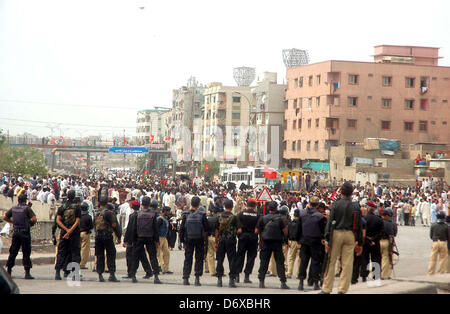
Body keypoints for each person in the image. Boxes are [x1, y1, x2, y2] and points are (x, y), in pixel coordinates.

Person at [321, 182, 363, 294]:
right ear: (351, 193)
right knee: (347, 263)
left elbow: (329, 223)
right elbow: (359, 225)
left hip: (336, 233)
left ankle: (326, 288)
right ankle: (342, 289)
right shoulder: (355, 206)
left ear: (341, 191)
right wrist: (360, 243)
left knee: (331, 261)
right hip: (350, 235)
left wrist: (326, 238)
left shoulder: (336, 204)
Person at [255, 201, 289, 289]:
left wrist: (261, 237)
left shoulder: (263, 218)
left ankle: (261, 282)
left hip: (265, 242)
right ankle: (283, 282)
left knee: (264, 262)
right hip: (277, 243)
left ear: (268, 208)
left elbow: (256, 230)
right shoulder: (280, 219)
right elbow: (285, 232)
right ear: (276, 208)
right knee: (280, 262)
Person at [3, 193, 37, 279]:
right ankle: (27, 273)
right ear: (25, 200)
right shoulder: (27, 209)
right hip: (25, 233)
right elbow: (34, 219)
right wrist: (30, 224)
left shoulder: (13, 208)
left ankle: (9, 270)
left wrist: (13, 222)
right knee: (26, 252)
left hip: (16, 232)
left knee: (13, 252)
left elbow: (5, 217)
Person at [128, 197, 161, 284]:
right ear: (149, 204)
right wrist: (157, 240)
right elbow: (155, 229)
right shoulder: (153, 214)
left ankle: (133, 275)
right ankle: (156, 276)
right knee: (153, 257)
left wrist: (132, 240)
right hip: (150, 237)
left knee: (135, 257)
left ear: (142, 204)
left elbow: (133, 228)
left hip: (139, 237)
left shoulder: (137, 214)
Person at [297, 196, 327, 291]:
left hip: (304, 241)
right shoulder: (320, 216)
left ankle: (301, 283)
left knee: (303, 262)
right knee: (315, 262)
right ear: (317, 205)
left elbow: (298, 229)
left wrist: (298, 239)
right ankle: (315, 283)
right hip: (316, 242)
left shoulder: (302, 214)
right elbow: (323, 231)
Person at [180, 196, 209, 286]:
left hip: (188, 239)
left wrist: (182, 241)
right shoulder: (202, 214)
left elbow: (182, 229)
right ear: (199, 204)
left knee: (188, 258)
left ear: (191, 204)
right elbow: (207, 228)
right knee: (199, 258)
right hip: (199, 239)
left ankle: (186, 278)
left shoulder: (186, 214)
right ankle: (197, 278)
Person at [122, 200, 153, 279]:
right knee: (142, 256)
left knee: (130, 256)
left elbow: (130, 229)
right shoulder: (141, 214)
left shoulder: (133, 215)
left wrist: (126, 240)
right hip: (140, 238)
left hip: (133, 239)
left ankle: (130, 273)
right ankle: (148, 271)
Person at [54, 190, 81, 280]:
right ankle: (74, 274)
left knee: (61, 252)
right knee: (75, 253)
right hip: (74, 233)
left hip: (64, 233)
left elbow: (58, 220)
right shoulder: (77, 208)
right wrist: (70, 231)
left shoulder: (62, 207)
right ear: (74, 197)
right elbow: (77, 221)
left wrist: (66, 230)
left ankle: (58, 272)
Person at [93, 197, 122, 282]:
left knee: (100, 255)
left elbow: (93, 225)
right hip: (107, 236)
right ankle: (112, 274)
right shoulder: (108, 213)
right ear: (106, 204)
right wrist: (119, 236)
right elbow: (114, 225)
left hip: (98, 237)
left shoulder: (96, 213)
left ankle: (100, 274)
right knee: (111, 254)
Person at [234, 198, 260, 283]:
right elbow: (258, 229)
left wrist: (239, 236)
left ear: (246, 204)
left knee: (240, 256)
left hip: (243, 238)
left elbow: (238, 228)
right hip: (253, 238)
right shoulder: (258, 215)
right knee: (251, 257)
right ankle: (246, 277)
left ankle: (237, 275)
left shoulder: (240, 214)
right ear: (255, 206)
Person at [215, 199, 238, 287]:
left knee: (220, 259)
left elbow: (216, 230)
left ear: (224, 206)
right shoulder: (234, 217)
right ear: (232, 207)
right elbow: (238, 230)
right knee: (232, 260)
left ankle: (219, 280)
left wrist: (216, 241)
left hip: (221, 240)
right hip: (231, 240)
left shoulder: (219, 216)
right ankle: (231, 280)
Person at [360, 201, 384, 283]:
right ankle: (376, 276)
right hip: (375, 242)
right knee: (376, 258)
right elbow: (381, 232)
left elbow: (361, 232)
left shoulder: (363, 219)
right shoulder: (379, 219)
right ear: (374, 210)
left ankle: (364, 276)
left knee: (364, 259)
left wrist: (368, 239)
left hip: (365, 242)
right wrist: (373, 240)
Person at [380, 209, 397, 280]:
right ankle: (384, 275)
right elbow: (393, 235)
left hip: (378, 241)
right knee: (386, 258)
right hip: (386, 241)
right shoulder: (391, 223)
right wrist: (392, 244)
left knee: (377, 258)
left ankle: (375, 274)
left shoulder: (379, 222)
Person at [157, 206, 173, 274]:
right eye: (168, 211)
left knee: (166, 253)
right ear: (165, 211)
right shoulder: (160, 219)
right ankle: (159, 267)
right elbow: (156, 229)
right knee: (159, 253)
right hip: (159, 237)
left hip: (164, 237)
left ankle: (165, 269)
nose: (169, 212)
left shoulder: (166, 218)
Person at [287, 209, 301, 279]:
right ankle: (298, 273)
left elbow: (288, 232)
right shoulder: (301, 223)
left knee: (291, 258)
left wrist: (288, 241)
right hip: (300, 242)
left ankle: (289, 273)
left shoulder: (291, 223)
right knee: (299, 258)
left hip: (292, 241)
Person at [79, 203, 94, 269]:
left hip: (78, 233)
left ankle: (77, 262)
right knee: (84, 250)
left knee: (78, 249)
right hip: (85, 233)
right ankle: (82, 264)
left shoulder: (78, 216)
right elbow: (91, 226)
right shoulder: (88, 217)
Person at [205, 208, 218, 276]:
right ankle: (219, 270)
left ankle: (212, 271)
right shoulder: (218, 219)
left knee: (210, 254)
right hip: (216, 238)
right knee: (219, 254)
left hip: (209, 237)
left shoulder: (208, 219)